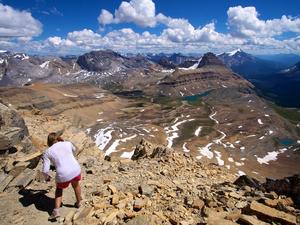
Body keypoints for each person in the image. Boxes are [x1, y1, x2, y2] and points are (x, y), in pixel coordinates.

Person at [42, 131, 82, 220]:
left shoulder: (47, 152)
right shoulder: (67, 143)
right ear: (58, 138)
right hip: (75, 169)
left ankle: (56, 211)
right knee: (76, 185)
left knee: (59, 189)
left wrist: (47, 177)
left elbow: (45, 170)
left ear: (48, 141)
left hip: (63, 175)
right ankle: (79, 203)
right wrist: (63, 142)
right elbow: (75, 150)